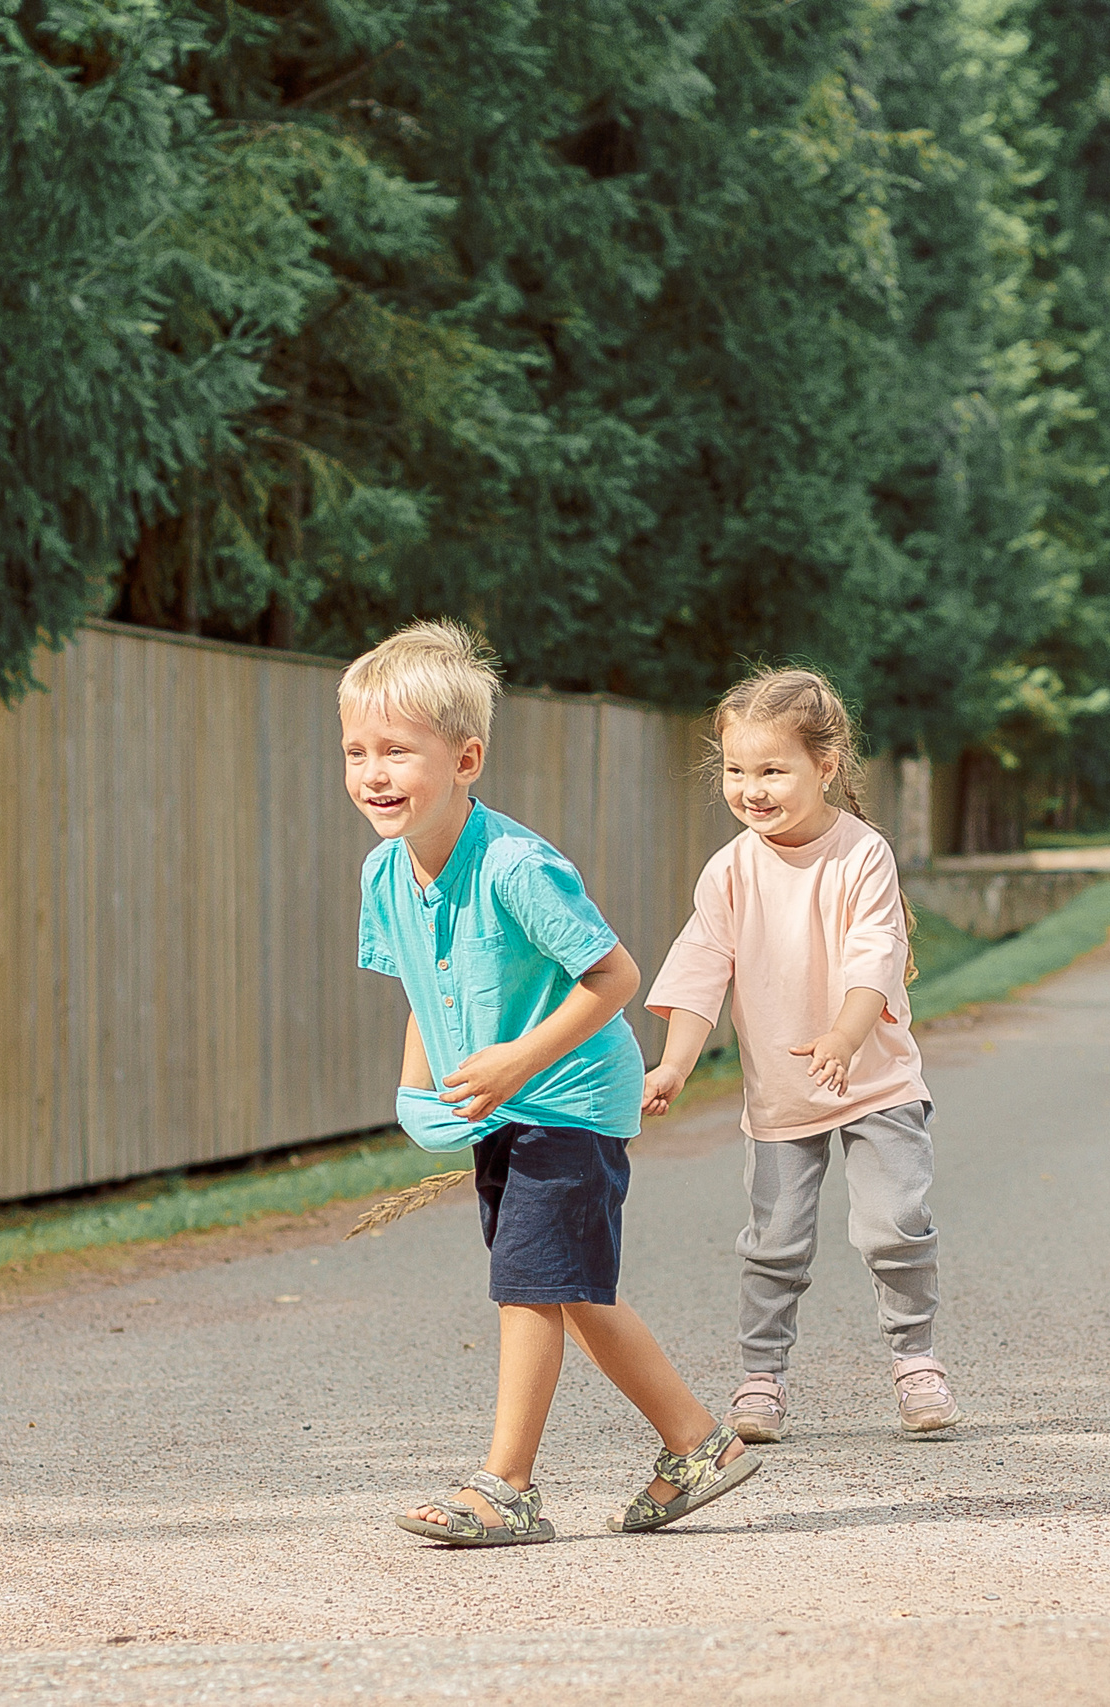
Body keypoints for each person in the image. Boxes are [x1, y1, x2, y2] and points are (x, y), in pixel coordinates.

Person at [344, 619, 757, 1548]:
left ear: (465, 757)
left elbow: (615, 977)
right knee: (572, 1291)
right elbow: (420, 990)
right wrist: (423, 1094)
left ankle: (506, 1488)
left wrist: (515, 1062)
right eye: (357, 751)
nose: (374, 772)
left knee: (528, 1283)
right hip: (500, 1101)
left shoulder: (517, 867)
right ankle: (699, 1445)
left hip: (568, 1095)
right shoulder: (382, 873)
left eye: (398, 751)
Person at [642, 666, 959, 1445]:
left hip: (873, 1078)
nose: (752, 788)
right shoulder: (729, 871)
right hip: (782, 1095)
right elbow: (700, 969)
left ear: (826, 765)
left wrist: (845, 1037)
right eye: (737, 770)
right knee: (774, 1242)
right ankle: (762, 1375)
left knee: (893, 1224)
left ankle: (916, 1358)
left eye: (772, 770)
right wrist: (676, 1063)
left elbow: (874, 955)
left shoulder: (861, 855)